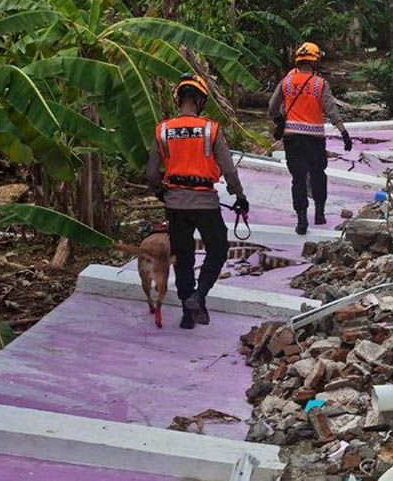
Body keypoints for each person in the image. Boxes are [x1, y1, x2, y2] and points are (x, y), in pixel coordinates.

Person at [146, 73, 249, 330]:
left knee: (183, 257)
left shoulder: (163, 130)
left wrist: (160, 192)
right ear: (200, 100)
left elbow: (150, 173)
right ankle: (199, 295)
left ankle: (187, 315)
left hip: (175, 205)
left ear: (179, 99)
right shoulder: (210, 130)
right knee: (218, 248)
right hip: (205, 203)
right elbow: (228, 169)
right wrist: (240, 196)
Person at [268, 42, 352, 235]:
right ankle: (319, 213)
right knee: (318, 174)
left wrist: (279, 121)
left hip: (292, 138)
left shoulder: (286, 82)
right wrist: (344, 133)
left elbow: (272, 106)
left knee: (298, 178)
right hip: (314, 138)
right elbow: (331, 110)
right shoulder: (320, 83)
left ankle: (301, 219)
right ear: (315, 62)